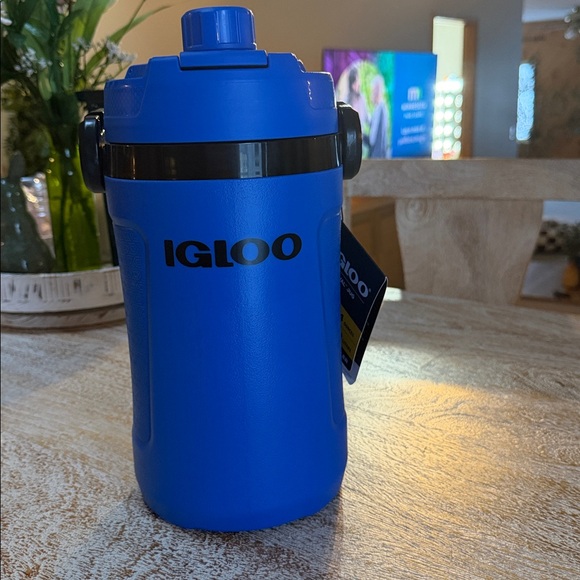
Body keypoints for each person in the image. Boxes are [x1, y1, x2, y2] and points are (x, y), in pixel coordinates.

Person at [368, 75, 390, 158]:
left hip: (378, 158)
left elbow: (376, 140)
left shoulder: (381, 109)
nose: (373, 93)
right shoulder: (377, 109)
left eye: (375, 90)